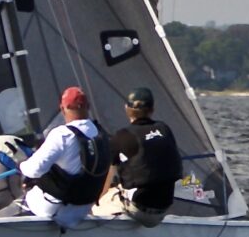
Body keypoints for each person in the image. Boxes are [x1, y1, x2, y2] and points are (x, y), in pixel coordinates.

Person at [19, 86, 110, 228]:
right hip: (82, 209)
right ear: (88, 106)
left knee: (6, 211)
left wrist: (21, 165)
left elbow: (34, 170)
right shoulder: (101, 133)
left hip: (53, 209)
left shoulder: (62, 135)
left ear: (62, 109)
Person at [105, 84, 181, 227]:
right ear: (152, 109)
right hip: (163, 209)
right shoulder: (164, 129)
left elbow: (108, 177)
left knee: (102, 200)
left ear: (127, 109)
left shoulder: (122, 136)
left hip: (139, 210)